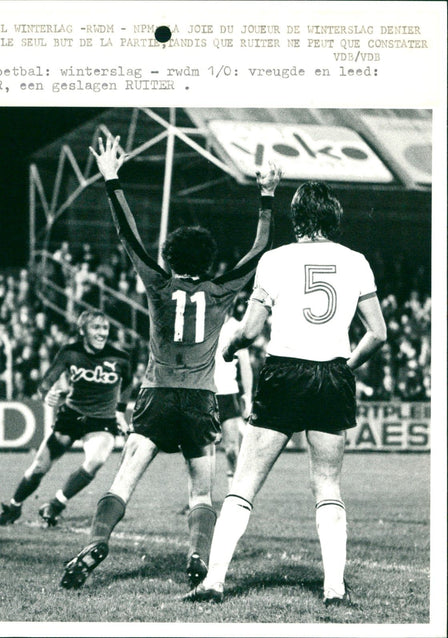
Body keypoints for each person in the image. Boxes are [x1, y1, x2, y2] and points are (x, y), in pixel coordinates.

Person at [61, 135, 281, 590]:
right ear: (209, 259)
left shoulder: (158, 286)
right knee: (202, 491)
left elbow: (129, 236)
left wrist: (112, 179)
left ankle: (99, 538)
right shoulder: (222, 291)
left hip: (156, 394)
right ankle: (198, 555)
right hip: (201, 398)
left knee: (123, 479)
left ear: (170, 257)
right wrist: (266, 196)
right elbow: (258, 252)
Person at [182, 181, 387, 606]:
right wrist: (343, 368)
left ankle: (214, 582)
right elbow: (377, 334)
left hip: (285, 373)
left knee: (245, 483)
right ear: (332, 215)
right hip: (331, 373)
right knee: (327, 485)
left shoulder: (275, 260)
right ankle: (334, 588)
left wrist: (230, 346)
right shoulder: (357, 261)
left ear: (297, 216)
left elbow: (252, 328)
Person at [0, 310, 133, 527]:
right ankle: (14, 506)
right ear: (82, 331)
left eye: (105, 328)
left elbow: (127, 383)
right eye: (96, 327)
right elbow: (46, 383)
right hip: (71, 416)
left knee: (96, 461)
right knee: (39, 467)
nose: (102, 333)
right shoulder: (70, 353)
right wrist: (47, 394)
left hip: (101, 421)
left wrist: (120, 412)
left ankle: (55, 504)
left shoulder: (120, 358)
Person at [213, 298, 254, 490]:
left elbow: (245, 366)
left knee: (231, 449)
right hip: (205, 393)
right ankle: (199, 498)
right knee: (202, 449)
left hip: (228, 393)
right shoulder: (205, 325)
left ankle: (234, 492)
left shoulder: (237, 328)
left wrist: (248, 396)